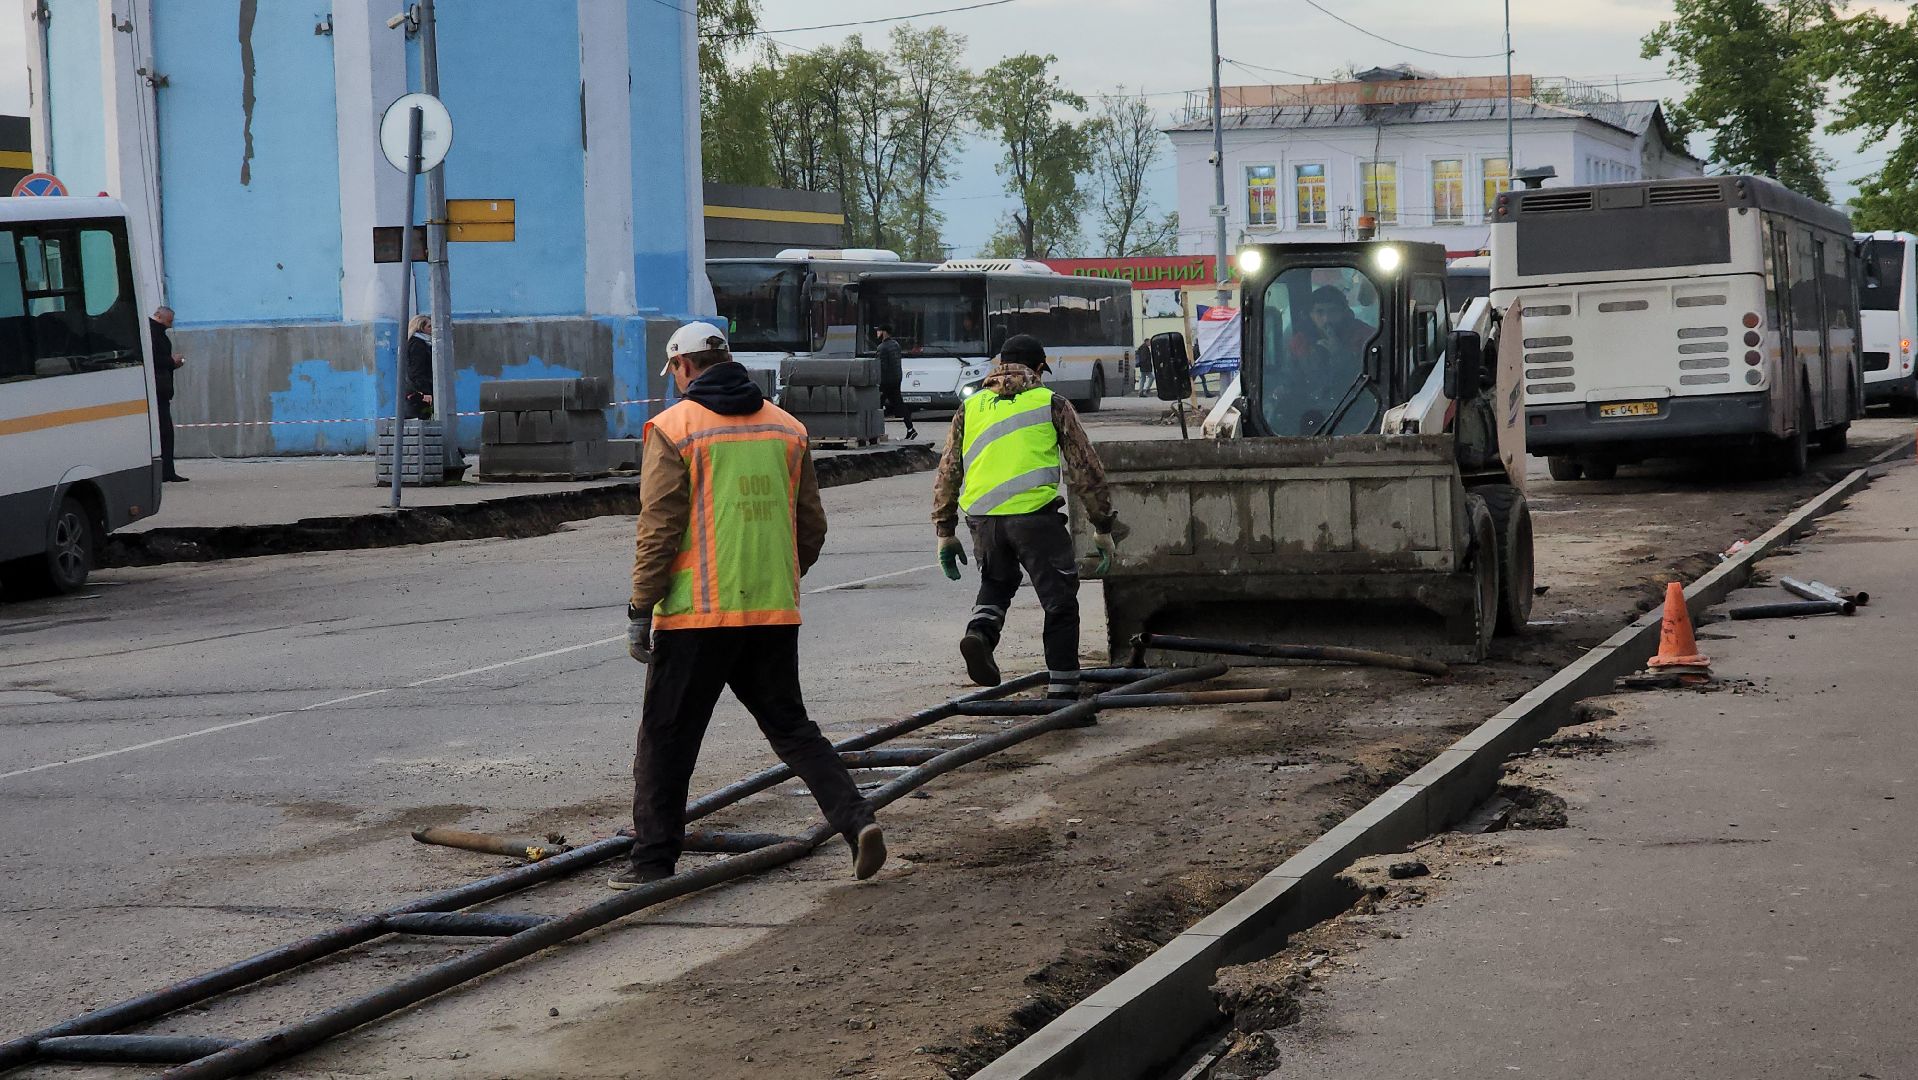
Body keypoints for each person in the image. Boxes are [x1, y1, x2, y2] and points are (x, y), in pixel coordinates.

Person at [618, 320, 886, 888]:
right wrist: (779, 575)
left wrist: (642, 605)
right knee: (792, 728)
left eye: (675, 372)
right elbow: (810, 524)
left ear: (684, 367)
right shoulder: (786, 427)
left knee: (667, 737)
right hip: (771, 612)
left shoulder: (674, 428)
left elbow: (659, 527)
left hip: (695, 617)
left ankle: (651, 864)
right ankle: (857, 822)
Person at [931, 333, 1119, 706]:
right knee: (1060, 602)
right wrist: (1102, 526)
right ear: (1037, 368)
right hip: (1035, 518)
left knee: (998, 583)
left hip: (983, 519)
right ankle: (1063, 696)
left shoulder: (971, 407)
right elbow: (1085, 469)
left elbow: (948, 469)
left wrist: (945, 530)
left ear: (999, 366)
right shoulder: (1051, 403)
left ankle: (980, 635)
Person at [148, 306, 187, 482]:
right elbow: (153, 359)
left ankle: (167, 471)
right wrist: (172, 361)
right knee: (165, 432)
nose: (169, 325)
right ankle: (166, 472)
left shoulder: (154, 331)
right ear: (158, 316)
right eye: (168, 321)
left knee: (165, 432)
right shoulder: (152, 332)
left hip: (160, 388)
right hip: (158, 389)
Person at [874, 324, 916, 441]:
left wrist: (877, 381)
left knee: (876, 406)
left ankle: (875, 432)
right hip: (896, 379)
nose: (877, 333)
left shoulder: (882, 348)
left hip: (886, 382)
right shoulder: (896, 345)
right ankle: (910, 429)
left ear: (885, 332)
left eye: (879, 331)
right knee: (899, 405)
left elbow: (880, 367)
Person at [403, 315, 434, 421]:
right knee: (423, 422)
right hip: (419, 394)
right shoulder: (418, 345)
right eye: (429, 326)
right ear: (421, 328)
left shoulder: (415, 343)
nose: (432, 329)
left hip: (415, 391)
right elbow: (417, 370)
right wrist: (425, 391)